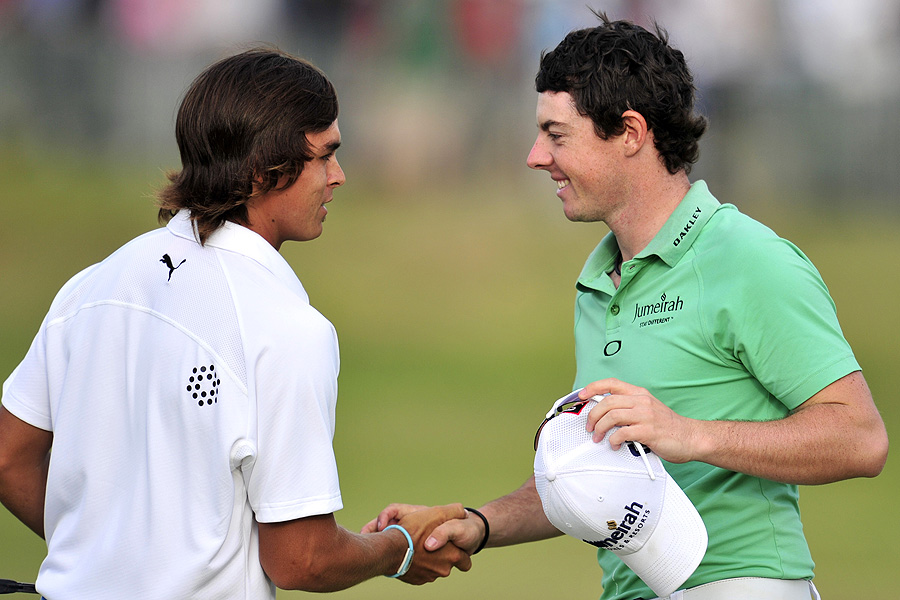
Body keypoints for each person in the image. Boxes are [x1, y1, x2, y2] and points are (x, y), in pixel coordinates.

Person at [365, 12, 889, 600]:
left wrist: (688, 435)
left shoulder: (749, 259)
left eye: (556, 135)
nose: (535, 156)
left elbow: (860, 438)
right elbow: (606, 477)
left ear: (632, 133)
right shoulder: (598, 280)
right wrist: (480, 523)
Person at [0, 47, 471, 599]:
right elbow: (303, 560)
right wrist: (400, 547)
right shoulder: (288, 329)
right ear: (261, 170)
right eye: (324, 156)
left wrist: (106, 556)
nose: (338, 177)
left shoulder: (91, 287)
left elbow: (10, 458)